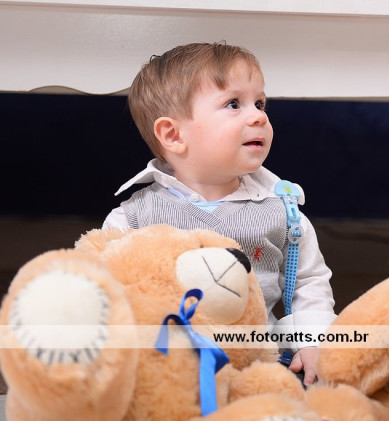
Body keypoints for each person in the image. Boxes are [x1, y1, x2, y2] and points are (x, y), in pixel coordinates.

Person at [102, 42, 336, 385]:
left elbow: (309, 281)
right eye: (233, 104)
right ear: (173, 134)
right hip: (169, 366)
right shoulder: (132, 219)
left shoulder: (282, 211)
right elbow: (103, 293)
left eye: (259, 103)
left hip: (259, 360)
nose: (259, 116)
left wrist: (313, 340)